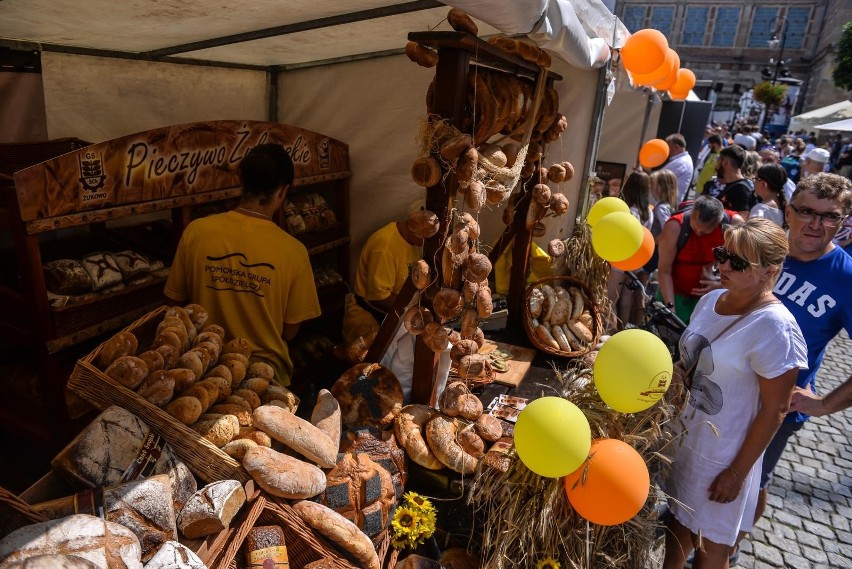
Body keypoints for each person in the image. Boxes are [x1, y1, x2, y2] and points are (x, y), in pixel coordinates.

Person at [663, 218, 807, 569]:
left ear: (769, 272)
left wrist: (736, 474)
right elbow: (692, 362)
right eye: (722, 253)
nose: (722, 265)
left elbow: (776, 410)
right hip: (687, 442)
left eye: (738, 262)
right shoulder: (710, 300)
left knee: (710, 551)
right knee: (675, 531)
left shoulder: (776, 327)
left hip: (724, 457)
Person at [748, 173, 852, 545]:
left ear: (842, 221)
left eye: (830, 216)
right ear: (788, 211)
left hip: (778, 409)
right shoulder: (764, 247)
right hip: (724, 388)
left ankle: (729, 546)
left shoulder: (847, 277)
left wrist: (823, 403)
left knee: (751, 481)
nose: (816, 224)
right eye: (807, 211)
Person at [164, 143, 321, 387]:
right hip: (263, 376)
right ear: (283, 191)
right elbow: (290, 331)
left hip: (203, 369)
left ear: (240, 179)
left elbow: (175, 304)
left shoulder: (196, 231)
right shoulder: (293, 251)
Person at [341, 210, 428, 345]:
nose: (430, 241)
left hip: (392, 316)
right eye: (429, 237)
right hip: (369, 322)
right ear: (418, 229)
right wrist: (414, 313)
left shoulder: (413, 240)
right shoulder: (385, 248)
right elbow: (379, 297)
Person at [657, 196, 743, 324]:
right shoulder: (675, 226)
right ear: (691, 213)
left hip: (712, 300)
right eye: (694, 227)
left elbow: (743, 267)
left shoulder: (734, 225)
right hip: (676, 295)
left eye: (705, 232)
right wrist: (671, 310)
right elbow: (664, 270)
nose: (698, 234)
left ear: (719, 222)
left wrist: (720, 285)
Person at [607, 171, 653, 327]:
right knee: (626, 298)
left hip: (621, 260)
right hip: (636, 261)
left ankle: (609, 332)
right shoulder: (648, 212)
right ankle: (621, 329)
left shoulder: (630, 212)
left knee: (610, 299)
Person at [715, 145, 756, 220]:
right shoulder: (735, 186)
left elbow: (741, 222)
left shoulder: (740, 190)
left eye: (718, 160)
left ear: (725, 163)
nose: (716, 166)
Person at [749, 163, 788, 228]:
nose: (753, 182)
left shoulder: (761, 209)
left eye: (755, 179)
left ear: (763, 183)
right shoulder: (786, 208)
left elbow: (752, 237)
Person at [662, 133, 694, 204]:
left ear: (676, 147)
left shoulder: (682, 162)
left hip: (666, 204)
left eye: (668, 146)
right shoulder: (680, 160)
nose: (667, 149)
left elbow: (660, 178)